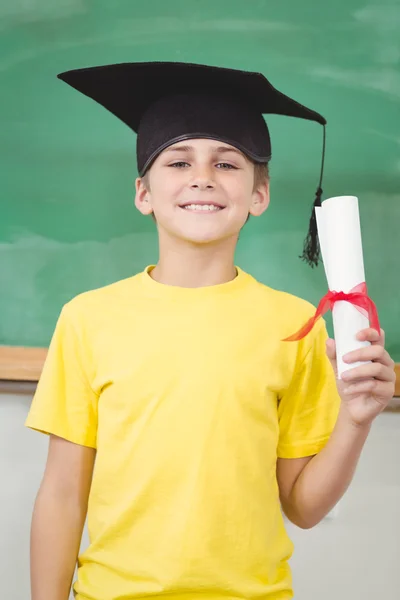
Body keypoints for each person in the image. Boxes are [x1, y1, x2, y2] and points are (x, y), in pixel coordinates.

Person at [25, 62, 396, 600]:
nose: (203, 177)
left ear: (259, 195)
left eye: (227, 163)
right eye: (178, 161)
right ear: (144, 193)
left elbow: (304, 506)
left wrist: (356, 421)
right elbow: (62, 493)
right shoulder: (89, 319)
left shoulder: (297, 325)